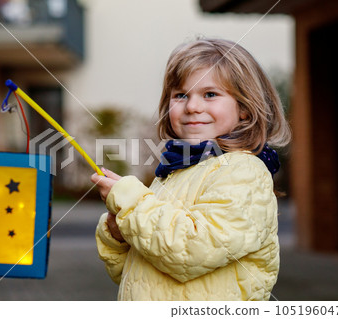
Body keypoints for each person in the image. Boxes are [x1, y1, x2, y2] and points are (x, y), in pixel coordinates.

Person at [90, 38, 291, 301]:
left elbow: (190, 250)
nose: (193, 107)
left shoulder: (244, 171)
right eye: (181, 95)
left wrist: (131, 203)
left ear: (244, 109)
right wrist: (117, 232)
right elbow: (134, 273)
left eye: (210, 94)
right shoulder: (176, 171)